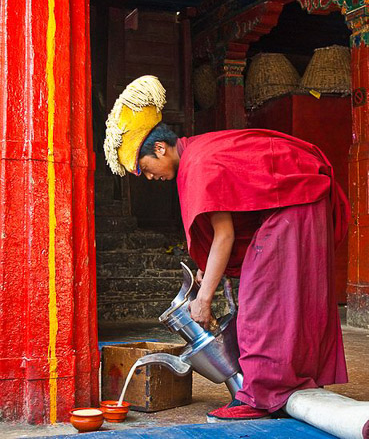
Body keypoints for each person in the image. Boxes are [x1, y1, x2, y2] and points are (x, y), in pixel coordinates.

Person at [104, 75, 349, 422]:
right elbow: (229, 217)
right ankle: (294, 383)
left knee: (259, 296)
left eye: (144, 169)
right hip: (298, 201)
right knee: (289, 296)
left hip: (297, 201)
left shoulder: (198, 163)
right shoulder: (196, 153)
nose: (148, 178)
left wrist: (203, 299)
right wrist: (205, 275)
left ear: (160, 149)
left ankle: (260, 395)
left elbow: (224, 235)